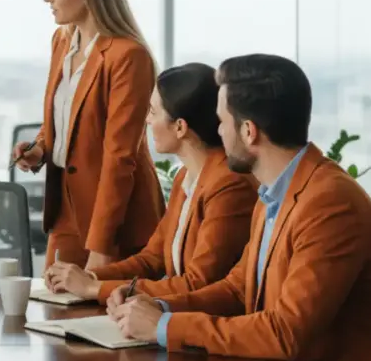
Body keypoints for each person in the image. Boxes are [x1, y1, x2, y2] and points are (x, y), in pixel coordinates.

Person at [112, 54, 371, 361]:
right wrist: (162, 308)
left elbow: (286, 332)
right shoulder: (275, 191)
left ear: (248, 131)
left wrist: (166, 327)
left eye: (221, 122)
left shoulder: (330, 203)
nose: (216, 132)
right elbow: (238, 287)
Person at [46, 63, 257, 304]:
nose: (147, 120)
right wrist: (89, 276)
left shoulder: (229, 185)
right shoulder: (186, 177)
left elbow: (198, 284)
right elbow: (151, 259)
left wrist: (95, 289)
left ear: (180, 127)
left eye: (153, 112)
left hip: (199, 324)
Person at [12, 0, 165, 272]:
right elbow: (65, 118)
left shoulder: (128, 56)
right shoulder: (63, 41)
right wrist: (40, 147)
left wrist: (102, 245)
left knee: (98, 318)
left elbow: (120, 156)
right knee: (52, 315)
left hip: (113, 218)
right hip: (64, 212)